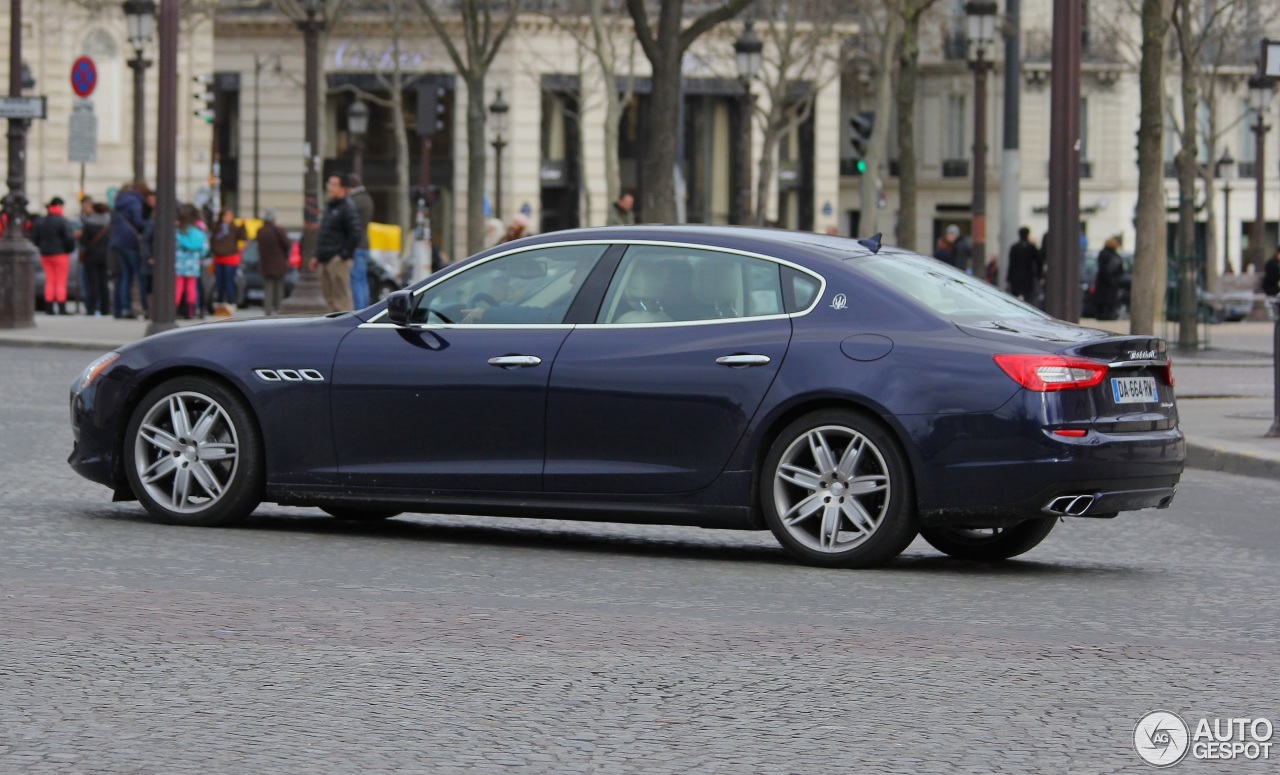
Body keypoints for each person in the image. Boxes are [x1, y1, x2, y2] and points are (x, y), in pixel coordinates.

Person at [310, 174, 362, 312]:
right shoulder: (330, 207)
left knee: (341, 299)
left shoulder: (347, 208)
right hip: (325, 259)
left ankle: (344, 328)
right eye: (329, 184)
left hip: (336, 260)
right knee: (329, 299)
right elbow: (324, 234)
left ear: (343, 189)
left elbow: (355, 233)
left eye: (334, 185)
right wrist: (317, 256)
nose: (329, 188)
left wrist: (343, 256)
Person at [109, 180, 150, 318]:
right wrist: (148, 224)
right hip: (131, 241)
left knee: (124, 276)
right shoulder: (134, 201)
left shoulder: (118, 202)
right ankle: (143, 308)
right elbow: (138, 222)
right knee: (139, 276)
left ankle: (123, 308)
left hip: (118, 242)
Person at [32, 197, 76, 314]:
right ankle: (61, 306)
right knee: (60, 280)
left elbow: (35, 238)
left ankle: (49, 307)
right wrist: (69, 249)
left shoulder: (41, 221)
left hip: (45, 254)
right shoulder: (62, 220)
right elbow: (69, 238)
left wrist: (42, 247)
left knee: (50, 280)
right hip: (60, 253)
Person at [77, 201, 112, 316]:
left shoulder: (89, 223)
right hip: (105, 256)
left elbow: (83, 241)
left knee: (92, 283)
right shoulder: (108, 223)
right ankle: (105, 308)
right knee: (104, 283)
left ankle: (91, 308)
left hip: (91, 256)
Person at [256, 209, 292, 316]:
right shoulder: (278, 230)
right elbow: (287, 244)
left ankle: (268, 310)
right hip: (278, 263)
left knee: (268, 288)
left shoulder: (261, 231)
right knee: (279, 288)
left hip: (266, 263)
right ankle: (278, 309)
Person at [210, 208, 248, 311]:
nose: (229, 218)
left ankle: (230, 303)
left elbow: (244, 238)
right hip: (219, 258)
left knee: (229, 282)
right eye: (227, 215)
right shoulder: (217, 228)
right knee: (219, 283)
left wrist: (243, 226)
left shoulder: (234, 228)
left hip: (231, 259)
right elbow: (212, 240)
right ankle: (219, 303)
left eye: (230, 215)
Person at [174, 204, 208, 320]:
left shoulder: (178, 231)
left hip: (179, 263)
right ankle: (190, 312)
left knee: (178, 287)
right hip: (193, 264)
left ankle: (174, 309)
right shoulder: (199, 232)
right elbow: (204, 249)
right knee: (191, 288)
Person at [345, 173, 373, 309]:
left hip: (356, 245)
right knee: (362, 280)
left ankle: (359, 309)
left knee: (355, 279)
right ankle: (365, 307)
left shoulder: (354, 200)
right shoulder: (367, 199)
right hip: (365, 244)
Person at [1007, 227, 1042, 303]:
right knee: (1028, 298)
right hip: (1028, 276)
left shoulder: (1015, 248)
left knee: (1015, 298)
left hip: (1016, 277)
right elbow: (1038, 262)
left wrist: (1009, 278)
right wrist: (1038, 275)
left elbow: (1011, 264)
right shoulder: (1031, 247)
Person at [1094, 235, 1124, 320]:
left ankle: (1102, 315)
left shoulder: (1102, 254)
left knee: (1102, 302)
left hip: (1102, 282)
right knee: (1111, 301)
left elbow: (1101, 269)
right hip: (1112, 284)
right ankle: (1110, 315)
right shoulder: (1116, 256)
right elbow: (1121, 270)